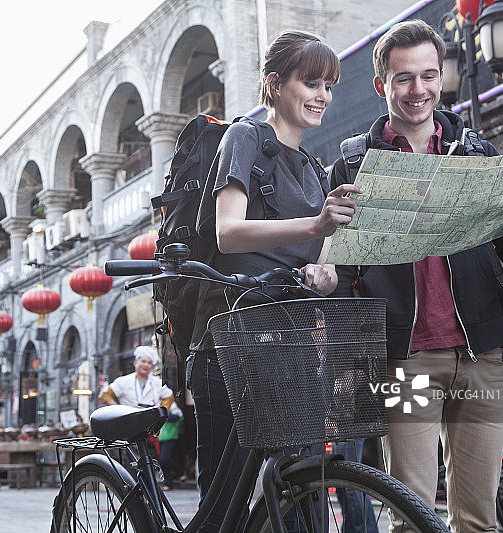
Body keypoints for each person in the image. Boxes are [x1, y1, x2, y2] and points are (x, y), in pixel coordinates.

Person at [329, 19, 503, 532]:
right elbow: (341, 274)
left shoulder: (477, 154)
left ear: (440, 77)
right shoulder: (353, 166)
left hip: (480, 356)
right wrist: (351, 361)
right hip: (404, 361)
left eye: (429, 76)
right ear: (380, 85)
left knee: (478, 516)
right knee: (411, 513)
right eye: (404, 78)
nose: (419, 90)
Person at [187, 30, 359, 531]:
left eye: (329, 84)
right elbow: (228, 231)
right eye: (311, 82)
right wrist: (317, 225)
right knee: (226, 507)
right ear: (274, 84)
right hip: (231, 340)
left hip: (293, 344)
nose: (322, 95)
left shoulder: (313, 166)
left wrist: (326, 273)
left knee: (298, 491)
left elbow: (317, 262)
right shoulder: (244, 138)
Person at [98, 345, 174, 409]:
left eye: (149, 363)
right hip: (128, 422)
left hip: (150, 423)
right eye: (143, 361)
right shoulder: (123, 381)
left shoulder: (157, 382)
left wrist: (159, 414)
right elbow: (105, 395)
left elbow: (169, 396)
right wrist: (119, 411)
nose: (146, 365)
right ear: (135, 363)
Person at [158, 402, 186, 491]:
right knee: (162, 461)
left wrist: (163, 415)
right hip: (161, 437)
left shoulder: (171, 404)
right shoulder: (158, 402)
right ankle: (168, 484)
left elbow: (178, 417)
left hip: (169, 436)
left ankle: (180, 472)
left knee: (164, 459)